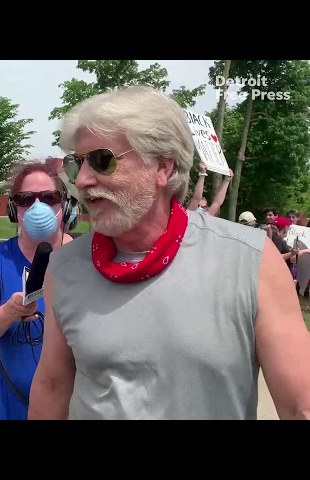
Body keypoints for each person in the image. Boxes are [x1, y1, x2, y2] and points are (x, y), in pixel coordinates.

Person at [29, 85, 310, 420]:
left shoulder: (250, 261)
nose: (84, 179)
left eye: (102, 161)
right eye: (78, 164)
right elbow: (53, 385)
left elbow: (299, 406)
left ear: (162, 168)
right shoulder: (64, 269)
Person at [0, 161, 75, 420]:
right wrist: (8, 312)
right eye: (25, 199)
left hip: (72, 407)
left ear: (64, 205)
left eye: (49, 197)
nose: (38, 206)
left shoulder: (86, 258)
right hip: (7, 404)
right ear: (14, 209)